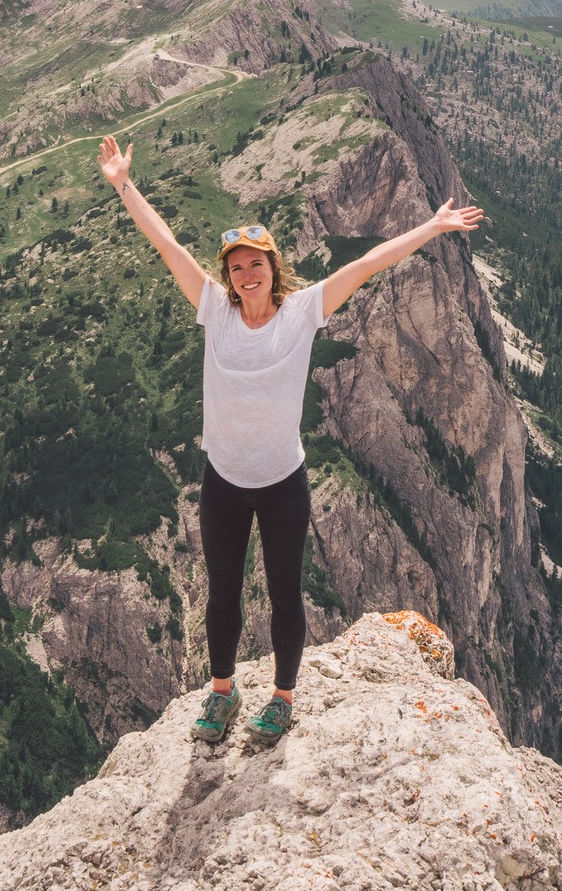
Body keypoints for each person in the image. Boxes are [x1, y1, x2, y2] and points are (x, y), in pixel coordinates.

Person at [95, 134, 484, 746]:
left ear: (274, 268)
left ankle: (282, 699)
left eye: (257, 264)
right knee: (222, 594)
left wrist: (431, 228)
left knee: (284, 594)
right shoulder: (214, 308)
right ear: (228, 276)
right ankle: (222, 692)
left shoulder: (303, 310)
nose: (247, 274)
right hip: (224, 480)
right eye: (237, 267)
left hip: (282, 482)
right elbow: (166, 243)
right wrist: (124, 184)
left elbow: (366, 265)